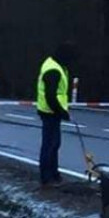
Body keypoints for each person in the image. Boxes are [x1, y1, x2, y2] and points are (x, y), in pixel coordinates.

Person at [36, 42, 77, 187]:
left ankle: (53, 174)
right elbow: (50, 96)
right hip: (50, 112)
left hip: (51, 111)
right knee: (49, 145)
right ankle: (47, 177)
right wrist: (61, 112)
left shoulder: (56, 66)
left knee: (54, 144)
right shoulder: (53, 70)